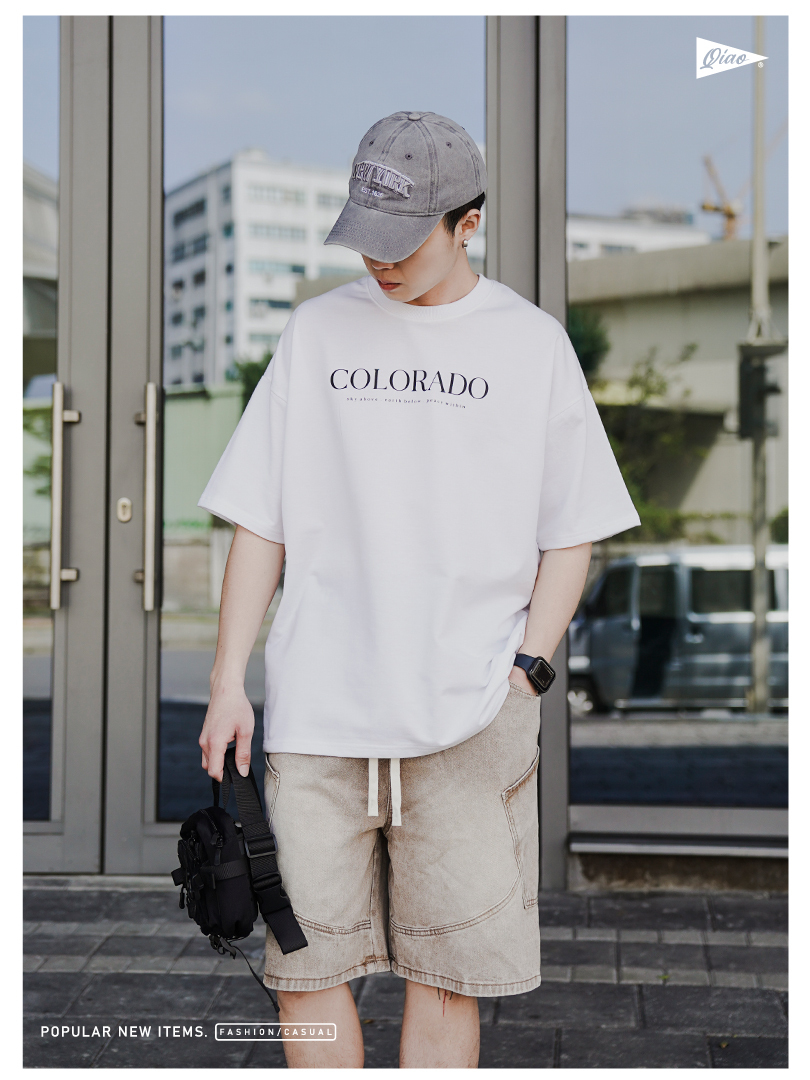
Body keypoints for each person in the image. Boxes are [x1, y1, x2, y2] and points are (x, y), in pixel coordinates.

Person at [197, 111, 640, 1069]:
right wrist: (229, 678)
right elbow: (261, 519)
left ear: (467, 223)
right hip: (320, 720)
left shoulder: (530, 345)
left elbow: (571, 531)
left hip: (469, 720)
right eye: (366, 237)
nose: (380, 261)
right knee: (305, 971)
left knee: (446, 979)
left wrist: (527, 670)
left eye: (402, 241)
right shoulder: (317, 333)